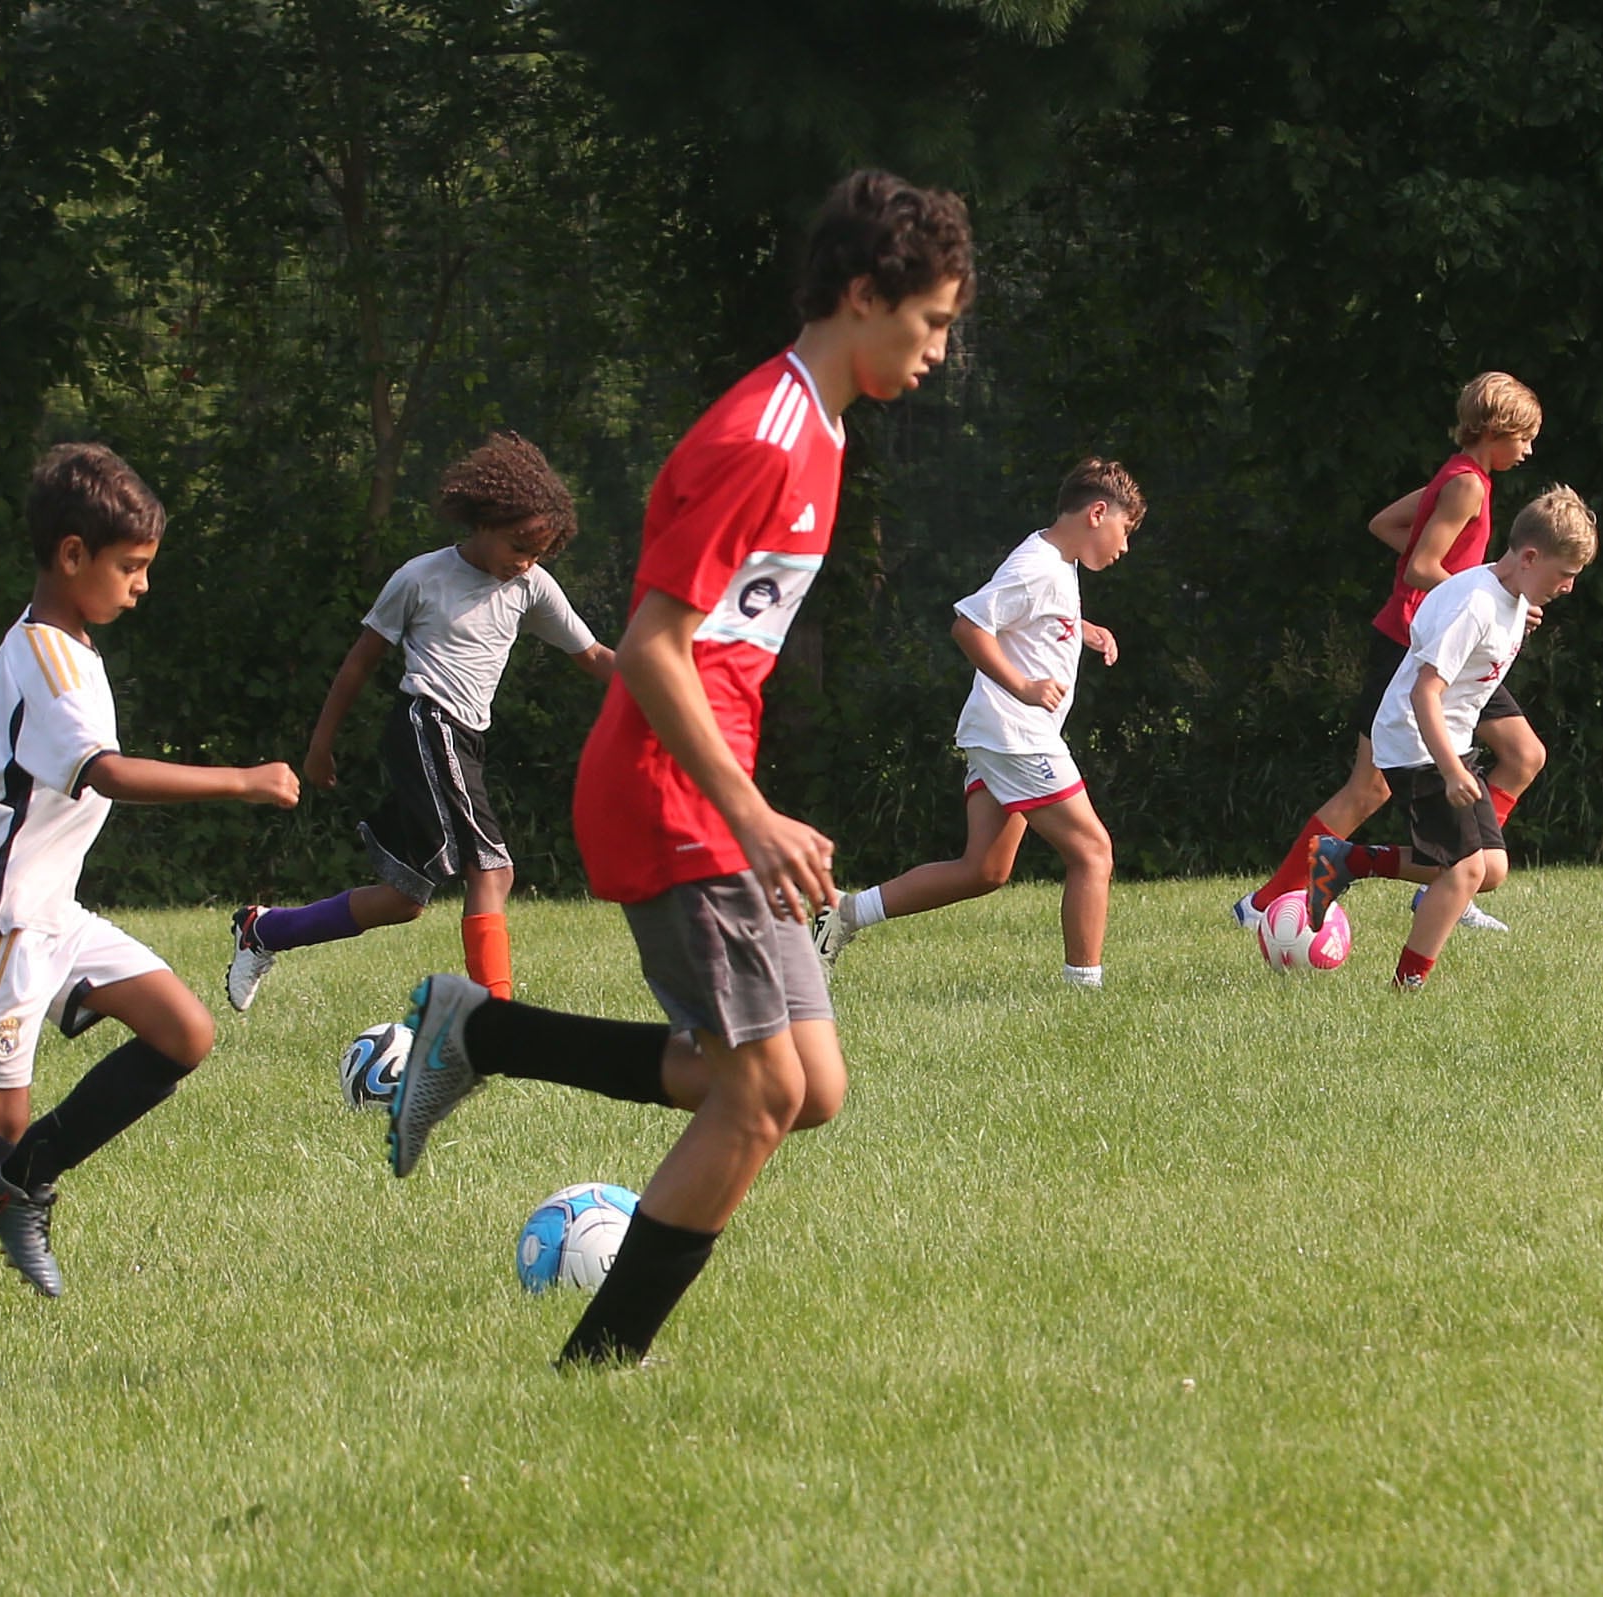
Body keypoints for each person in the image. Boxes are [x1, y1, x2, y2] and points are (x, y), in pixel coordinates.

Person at [381, 168, 973, 1369]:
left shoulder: (819, 426)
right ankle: (597, 1369)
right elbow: (655, 645)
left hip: (708, 794)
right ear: (865, 295)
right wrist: (748, 810)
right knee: (753, 1099)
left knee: (810, 1088)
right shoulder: (762, 437)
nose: (940, 352)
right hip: (673, 800)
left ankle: (480, 1035)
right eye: (933, 323)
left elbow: (721, 652)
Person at [0, 444, 300, 1320]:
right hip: (2, 921)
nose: (141, 585)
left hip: (48, 907)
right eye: (130, 567)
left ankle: (22, 1182)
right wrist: (243, 779)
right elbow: (108, 773)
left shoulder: (45, 645)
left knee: (184, 1030)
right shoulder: (53, 664)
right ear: (71, 555)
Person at [224, 433, 614, 1011]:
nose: (525, 562)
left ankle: (265, 930)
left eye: (538, 553)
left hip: (464, 742)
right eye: (517, 546)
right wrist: (320, 745)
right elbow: (360, 663)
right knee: (494, 870)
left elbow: (595, 658)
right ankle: (499, 1020)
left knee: (404, 898)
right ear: (482, 522)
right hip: (429, 724)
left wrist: (666, 679)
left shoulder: (529, 585)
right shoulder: (420, 578)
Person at [810, 459, 1142, 988]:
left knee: (984, 870)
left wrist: (1081, 628)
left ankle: (842, 916)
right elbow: (969, 625)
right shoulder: (1036, 564)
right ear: (1098, 513)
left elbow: (1031, 614)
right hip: (1018, 736)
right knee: (1093, 852)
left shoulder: (1058, 561)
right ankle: (1086, 992)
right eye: (1126, 531)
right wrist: (1024, 688)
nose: (1124, 547)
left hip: (999, 736)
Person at [1235, 373, 1543, 932]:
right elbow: (1423, 566)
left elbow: (1385, 524)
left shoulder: (1458, 475)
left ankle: (1457, 880)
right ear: (1496, 429)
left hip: (1457, 650)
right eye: (1523, 438)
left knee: (1523, 755)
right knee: (1368, 787)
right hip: (1412, 648)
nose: (1527, 450)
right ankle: (1263, 904)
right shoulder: (1467, 484)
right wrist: (1485, 593)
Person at [1306, 485, 1597, 988]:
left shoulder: (1508, 597)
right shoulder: (1475, 605)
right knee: (1463, 873)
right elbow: (1424, 692)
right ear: (1530, 557)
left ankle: (1347, 859)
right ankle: (1407, 985)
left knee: (1491, 869)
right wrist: (1451, 768)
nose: (1569, 587)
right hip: (1416, 744)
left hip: (1448, 743)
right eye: (1565, 575)